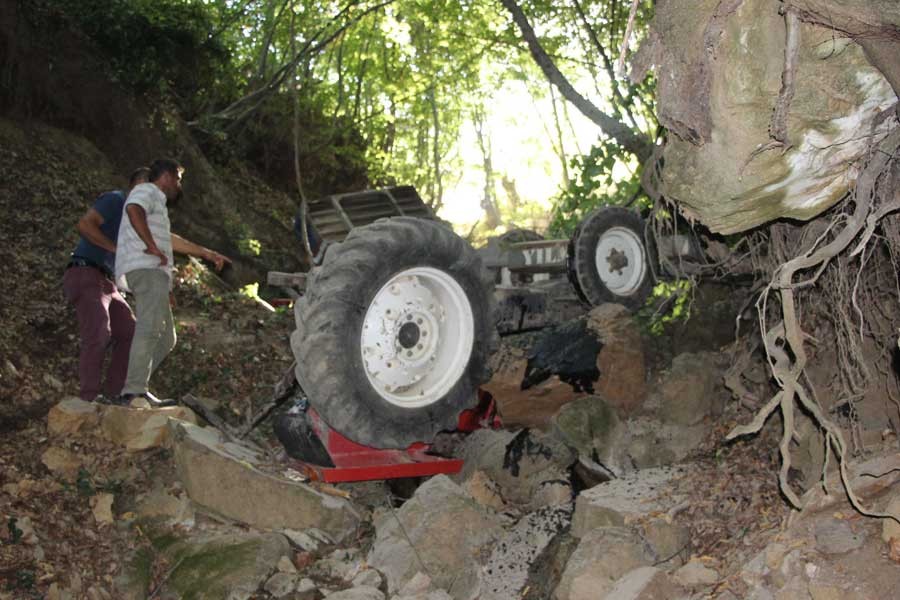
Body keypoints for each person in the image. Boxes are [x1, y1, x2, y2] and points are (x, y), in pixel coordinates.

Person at [115, 158, 231, 406]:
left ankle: (131, 384)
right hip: (146, 269)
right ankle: (133, 391)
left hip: (153, 273)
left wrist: (207, 253)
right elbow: (133, 210)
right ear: (166, 177)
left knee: (167, 337)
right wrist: (151, 246)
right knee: (149, 328)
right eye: (178, 179)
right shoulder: (147, 191)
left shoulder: (156, 204)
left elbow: (172, 240)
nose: (180, 186)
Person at [64, 167, 150, 402]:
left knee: (130, 333)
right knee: (99, 332)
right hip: (85, 271)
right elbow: (84, 225)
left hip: (108, 281)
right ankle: (88, 398)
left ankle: (115, 396)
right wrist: (116, 249)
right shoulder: (116, 200)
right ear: (133, 185)